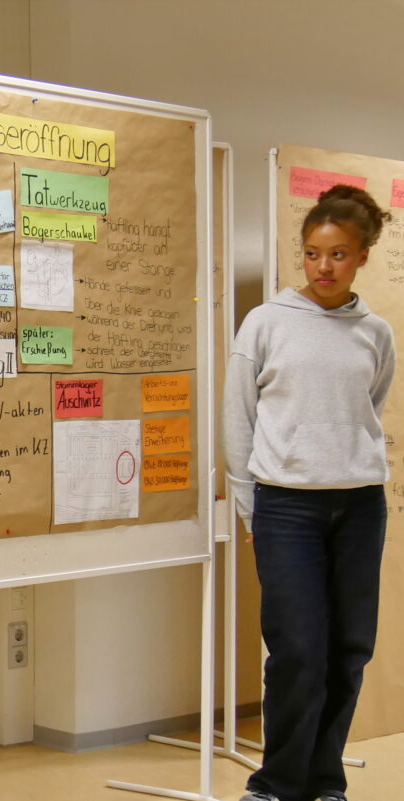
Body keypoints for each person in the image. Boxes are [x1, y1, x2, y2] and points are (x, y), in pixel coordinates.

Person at [224, 185, 394, 801]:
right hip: (286, 506)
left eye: (339, 255)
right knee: (297, 649)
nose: (324, 267)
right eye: (313, 254)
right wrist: (252, 508)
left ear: (362, 257)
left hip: (359, 506)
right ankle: (276, 784)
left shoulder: (375, 332)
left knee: (349, 649)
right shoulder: (267, 322)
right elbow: (238, 418)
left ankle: (325, 780)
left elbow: (366, 409)